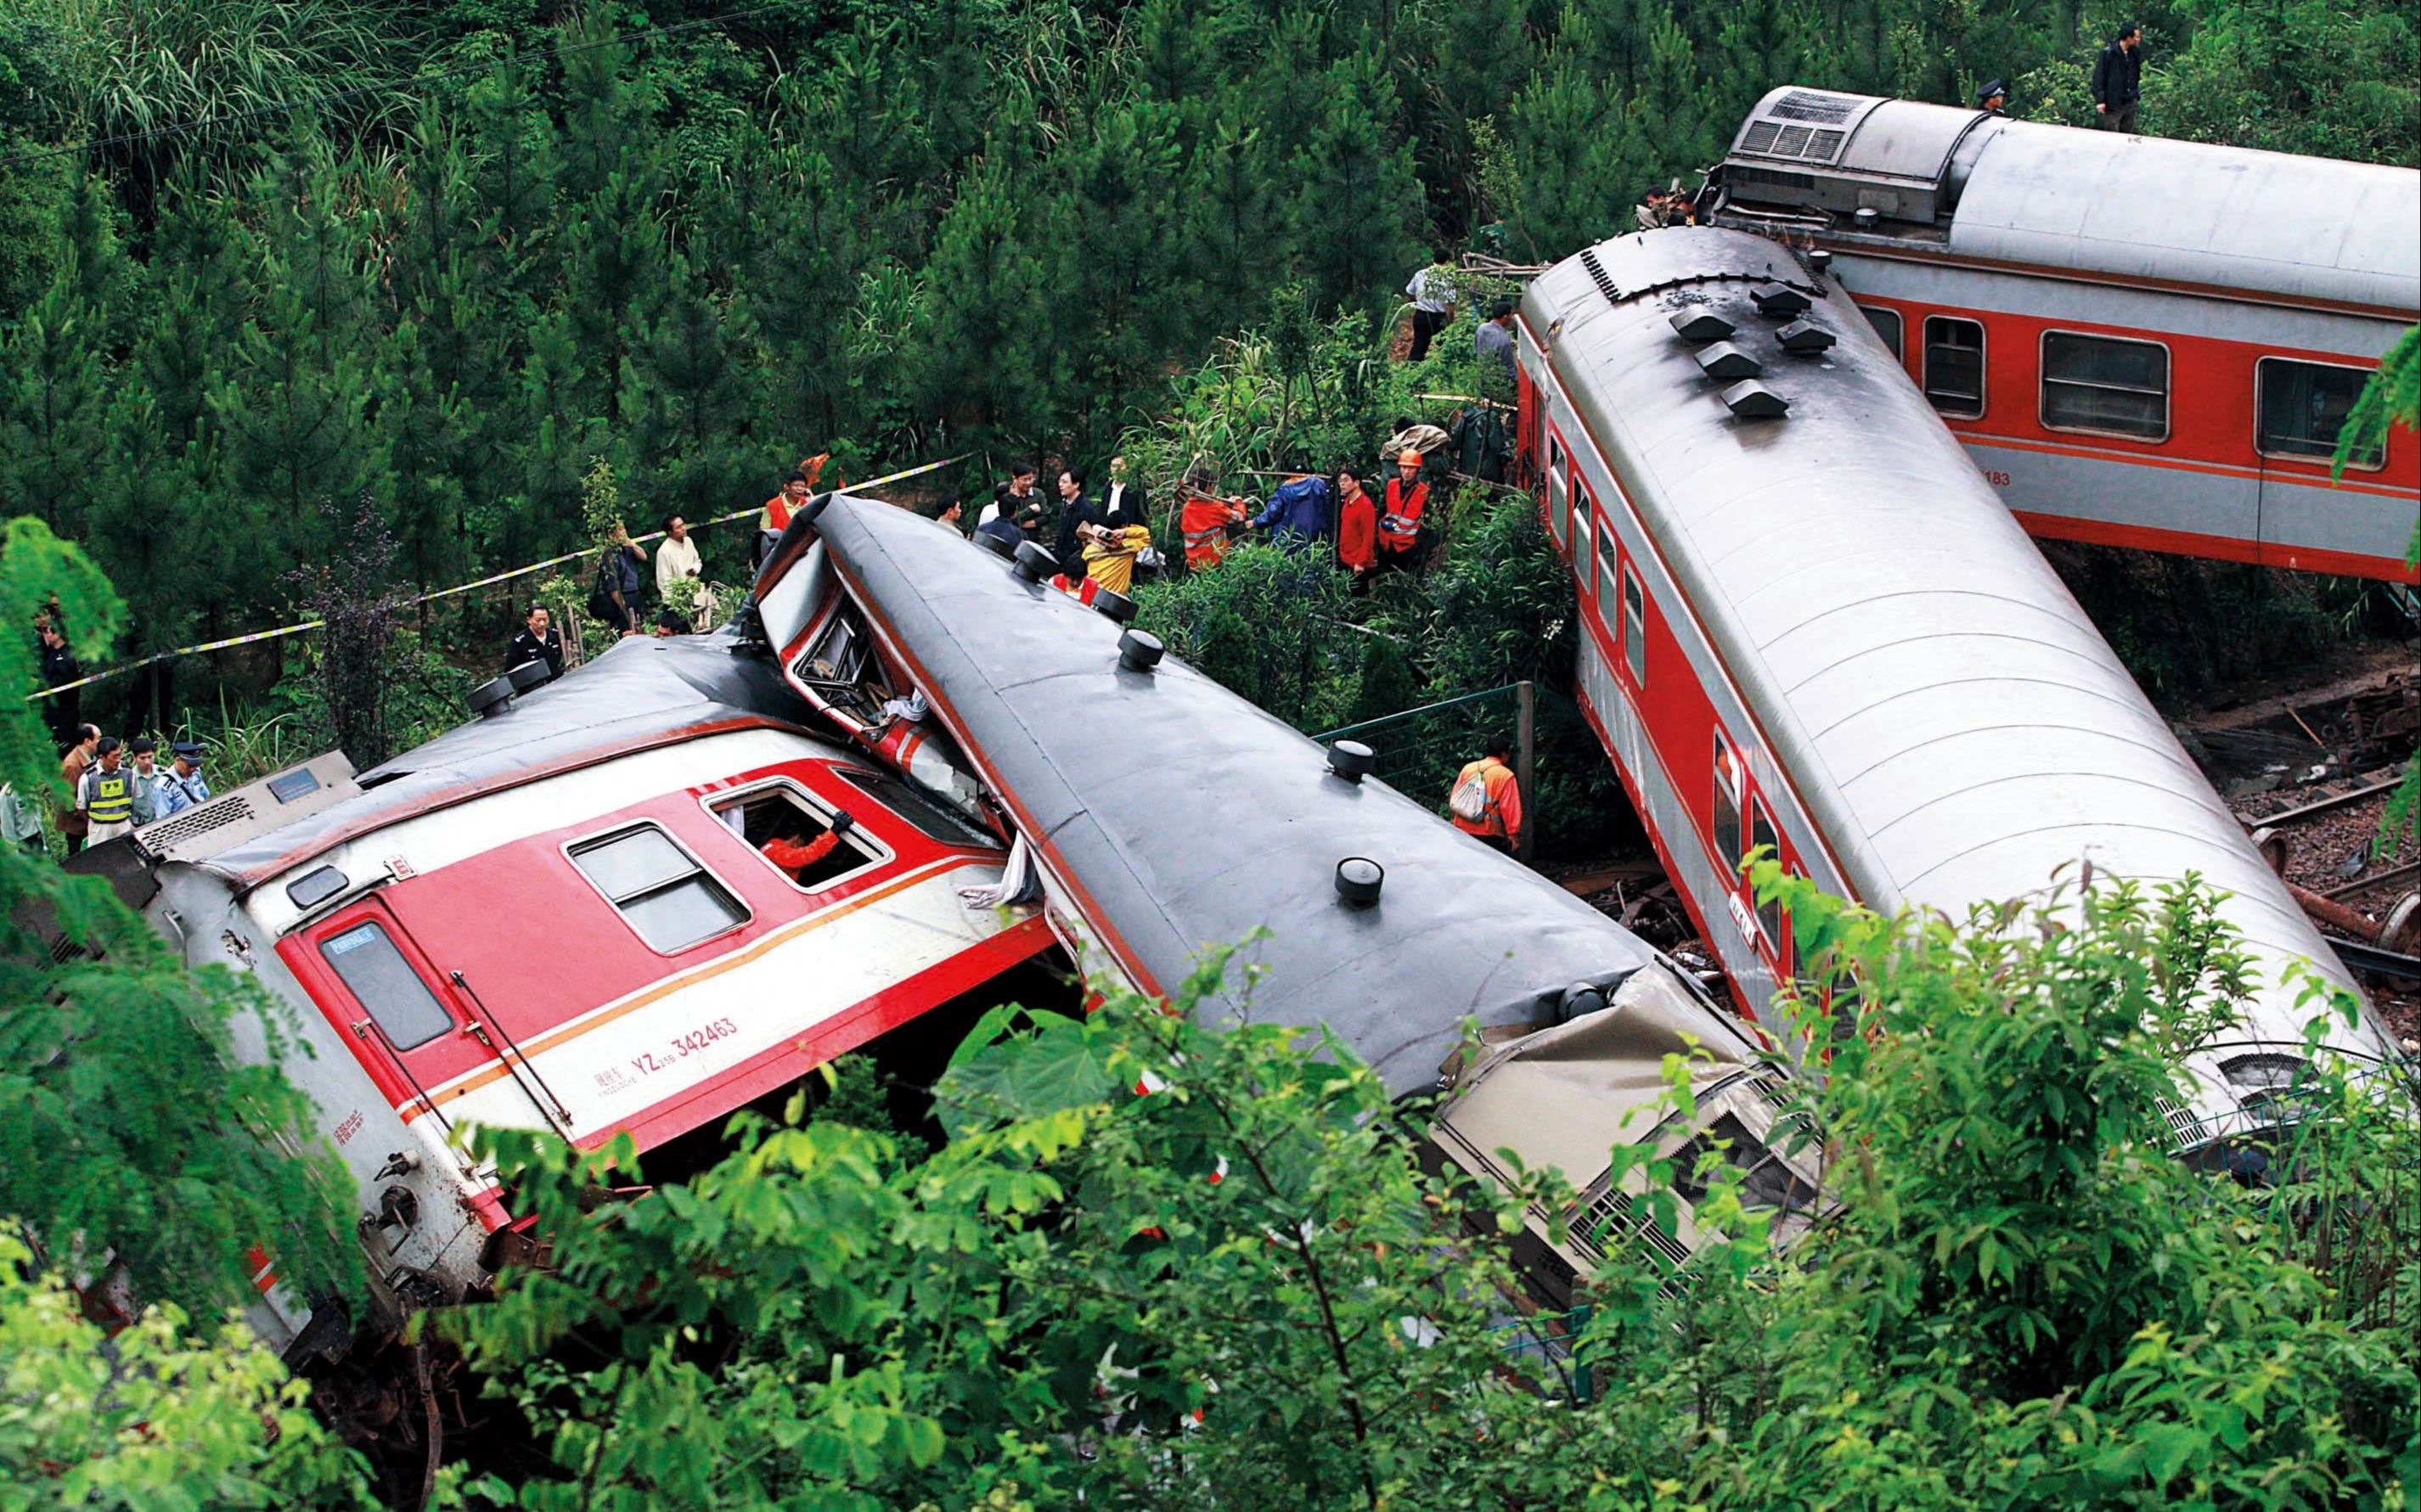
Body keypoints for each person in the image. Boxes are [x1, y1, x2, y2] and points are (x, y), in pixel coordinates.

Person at [1447, 735, 1523, 856]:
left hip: (1461, 827)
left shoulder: (1468, 768)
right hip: (1489, 832)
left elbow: (1455, 797)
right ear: (1504, 753)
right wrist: (1513, 834)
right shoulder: (1506, 776)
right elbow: (1511, 809)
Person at [76, 736, 143, 846]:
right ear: (102, 757)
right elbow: (81, 808)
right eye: (114, 757)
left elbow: (137, 801)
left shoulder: (129, 774)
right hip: (99, 830)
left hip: (124, 826)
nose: (118, 760)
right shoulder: (88, 778)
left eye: (119, 755)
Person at [1246, 470, 1332, 548]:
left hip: (1287, 537)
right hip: (1313, 536)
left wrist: (1255, 522)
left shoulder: (1284, 490)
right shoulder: (1318, 485)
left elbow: (1273, 512)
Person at [1379, 448, 1433, 571]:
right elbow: (1382, 508)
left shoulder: (1423, 491)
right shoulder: (1391, 485)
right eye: (1403, 467)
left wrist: (1419, 545)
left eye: (1411, 468)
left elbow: (1428, 522)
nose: (1406, 472)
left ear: (1418, 470)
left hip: (1407, 547)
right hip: (1386, 542)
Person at [590, 526, 647, 637]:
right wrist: (625, 610)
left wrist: (633, 544)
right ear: (611, 535)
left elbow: (643, 556)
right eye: (620, 530)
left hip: (634, 594)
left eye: (624, 529)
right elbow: (613, 588)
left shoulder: (627, 548)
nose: (624, 532)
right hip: (622, 600)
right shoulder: (609, 555)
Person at [35, 613, 80, 753]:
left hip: (65, 712)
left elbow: (64, 683)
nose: (46, 634)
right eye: (43, 631)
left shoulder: (68, 655)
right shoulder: (50, 654)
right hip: (49, 711)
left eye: (48, 630)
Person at [1179, 486, 1249, 571]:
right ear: (1208, 486)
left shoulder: (1187, 507)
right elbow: (1239, 516)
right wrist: (1238, 502)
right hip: (1214, 562)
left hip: (1195, 563)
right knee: (1239, 528)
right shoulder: (1213, 506)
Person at [1078, 520, 1154, 596]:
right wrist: (1126, 531)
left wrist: (1124, 532)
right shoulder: (1090, 551)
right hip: (1092, 593)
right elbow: (1147, 535)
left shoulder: (1127, 547)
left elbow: (1149, 535)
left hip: (1109, 597)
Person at [1405, 249, 1455, 361]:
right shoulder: (1448, 278)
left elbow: (1409, 291)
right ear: (1447, 262)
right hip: (1439, 318)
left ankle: (1412, 371)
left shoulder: (1420, 274)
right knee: (1444, 349)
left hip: (1422, 315)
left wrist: (1418, 302)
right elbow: (1450, 304)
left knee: (1419, 347)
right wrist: (1450, 322)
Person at [2092, 23, 2143, 132]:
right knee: (2112, 135)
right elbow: (2099, 76)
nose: (2138, 40)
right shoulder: (2109, 53)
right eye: (2136, 37)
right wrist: (2100, 100)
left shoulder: (2135, 53)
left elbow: (2135, 74)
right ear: (2128, 38)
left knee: (2127, 135)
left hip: (2130, 100)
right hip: (2113, 102)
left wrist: (2135, 94)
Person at [56, 722, 98, 856]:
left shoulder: (89, 759)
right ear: (88, 741)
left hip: (85, 823)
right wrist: (85, 816)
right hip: (77, 826)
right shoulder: (72, 765)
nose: (100, 742)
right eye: (98, 738)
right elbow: (67, 799)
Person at [1334, 464, 1379, 586]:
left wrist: (1360, 562)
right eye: (1340, 481)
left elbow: (1368, 537)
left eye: (1346, 480)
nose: (1342, 484)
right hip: (1345, 557)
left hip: (1358, 561)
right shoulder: (1347, 502)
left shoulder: (1366, 505)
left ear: (1356, 483)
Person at [1051, 467, 1105, 566]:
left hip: (1076, 558)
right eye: (1060, 481)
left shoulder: (1086, 507)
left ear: (1076, 484)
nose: (1060, 485)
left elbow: (1093, 533)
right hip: (1061, 554)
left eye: (1064, 482)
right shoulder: (1065, 503)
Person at [656, 514, 704, 621]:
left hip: (695, 594)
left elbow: (697, 561)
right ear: (670, 533)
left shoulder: (688, 541)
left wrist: (695, 569)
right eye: (679, 527)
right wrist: (675, 605)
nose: (683, 528)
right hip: (678, 602)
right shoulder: (664, 551)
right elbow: (664, 582)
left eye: (683, 525)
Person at [758, 472, 813, 566]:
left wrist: (812, 500)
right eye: (796, 485)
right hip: (778, 555)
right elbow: (764, 532)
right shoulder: (773, 506)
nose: (799, 489)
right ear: (786, 487)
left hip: (803, 555)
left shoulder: (808, 504)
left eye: (802, 486)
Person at [982, 463, 1049, 538]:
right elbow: (1007, 518)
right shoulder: (1007, 494)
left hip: (1033, 538)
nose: (1028, 483)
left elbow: (1046, 517)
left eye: (1030, 479)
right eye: (1024, 480)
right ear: (1015, 479)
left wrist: (1026, 524)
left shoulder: (1038, 494)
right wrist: (1029, 511)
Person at [509, 604, 566, 683]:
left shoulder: (555, 636)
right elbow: (511, 670)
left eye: (545, 620)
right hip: (533, 687)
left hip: (556, 682)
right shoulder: (520, 641)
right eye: (538, 620)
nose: (542, 624)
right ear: (529, 620)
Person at [156, 742, 211, 818]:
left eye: (195, 765)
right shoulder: (163, 787)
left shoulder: (195, 773)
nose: (193, 769)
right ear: (178, 760)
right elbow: (163, 819)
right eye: (190, 765)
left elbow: (205, 796)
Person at [1476, 299, 1517, 384]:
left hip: (1482, 376)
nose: (1512, 318)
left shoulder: (1482, 329)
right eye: (1511, 315)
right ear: (1505, 317)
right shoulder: (1503, 339)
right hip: (1498, 382)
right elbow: (1508, 366)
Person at [1101, 454, 1146, 530]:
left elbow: (1140, 517)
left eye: (1120, 466)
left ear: (1127, 468)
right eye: (1113, 466)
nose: (1116, 469)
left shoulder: (1134, 489)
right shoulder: (1108, 488)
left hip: (1129, 533)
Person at [127, 737, 167, 823]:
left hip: (162, 821)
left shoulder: (163, 773)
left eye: (150, 757)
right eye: (142, 758)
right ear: (134, 757)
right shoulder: (130, 779)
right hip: (140, 825)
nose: (147, 762)